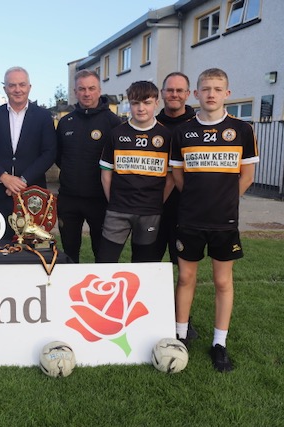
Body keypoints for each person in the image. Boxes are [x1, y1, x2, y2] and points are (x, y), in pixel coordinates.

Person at [170, 68, 259, 372]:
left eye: (217, 89)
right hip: (190, 219)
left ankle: (219, 344)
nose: (211, 94)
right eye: (205, 89)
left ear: (227, 94)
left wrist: (223, 200)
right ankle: (180, 337)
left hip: (224, 221)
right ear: (195, 94)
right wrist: (198, 197)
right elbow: (178, 174)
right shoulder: (183, 132)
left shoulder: (242, 130)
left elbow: (247, 176)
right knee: (185, 278)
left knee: (223, 281)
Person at [96, 81, 172, 263]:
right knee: (105, 261)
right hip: (118, 210)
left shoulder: (166, 136)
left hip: (150, 212)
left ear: (156, 103)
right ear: (129, 103)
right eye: (135, 103)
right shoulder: (117, 133)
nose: (141, 108)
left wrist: (157, 201)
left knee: (144, 264)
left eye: (146, 103)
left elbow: (171, 177)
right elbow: (106, 173)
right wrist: (113, 200)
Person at [0, 66, 56, 241]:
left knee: (30, 249)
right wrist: (4, 177)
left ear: (29, 87)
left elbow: (49, 152)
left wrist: (22, 181)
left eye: (22, 85)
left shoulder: (43, 116)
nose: (17, 90)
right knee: (0, 247)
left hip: (33, 195)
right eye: (12, 85)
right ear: (5, 88)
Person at [56, 70, 122, 262]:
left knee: (102, 254)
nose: (87, 93)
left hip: (100, 200)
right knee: (69, 253)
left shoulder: (113, 122)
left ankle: (101, 290)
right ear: (75, 92)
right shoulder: (65, 122)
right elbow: (59, 157)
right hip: (69, 199)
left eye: (91, 88)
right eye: (82, 89)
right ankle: (69, 289)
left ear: (99, 90)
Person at [152, 72, 196, 264]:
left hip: (185, 209)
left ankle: (179, 297)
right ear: (162, 93)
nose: (174, 94)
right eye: (170, 90)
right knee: (149, 263)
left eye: (179, 90)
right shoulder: (150, 125)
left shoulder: (198, 126)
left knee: (183, 267)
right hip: (152, 207)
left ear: (188, 94)